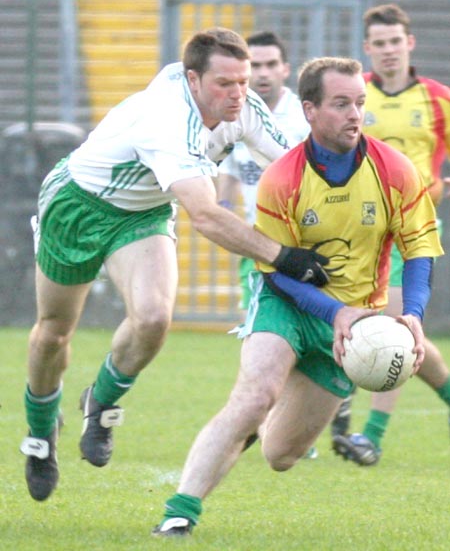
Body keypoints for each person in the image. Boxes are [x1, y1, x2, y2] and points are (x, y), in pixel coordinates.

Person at [19, 27, 332, 502]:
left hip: (142, 214)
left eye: (243, 81)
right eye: (224, 83)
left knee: (153, 318)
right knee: (54, 331)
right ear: (192, 80)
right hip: (80, 205)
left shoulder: (242, 107)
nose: (238, 93)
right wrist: (285, 257)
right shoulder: (169, 120)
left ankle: (100, 402)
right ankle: (41, 434)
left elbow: (295, 162)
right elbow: (206, 216)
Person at [153, 56, 443, 537]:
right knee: (253, 396)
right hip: (288, 303)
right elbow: (276, 268)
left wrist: (411, 314)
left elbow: (420, 252)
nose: (355, 114)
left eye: (359, 103)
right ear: (309, 110)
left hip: (359, 321)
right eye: (340, 104)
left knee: (280, 456)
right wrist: (335, 311)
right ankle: (180, 511)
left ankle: (268, 416)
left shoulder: (395, 171)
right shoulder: (283, 177)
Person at [331, 4, 450, 466]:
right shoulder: (356, 98)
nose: (387, 51)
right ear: (367, 49)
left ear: (410, 43)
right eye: (378, 44)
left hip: (412, 233)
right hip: (360, 234)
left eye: (394, 41)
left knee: (396, 327)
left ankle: (371, 437)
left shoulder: (438, 100)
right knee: (405, 336)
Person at [217, 30, 310, 314]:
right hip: (257, 245)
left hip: (305, 244)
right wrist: (223, 207)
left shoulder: (304, 118)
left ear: (285, 69)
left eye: (271, 64)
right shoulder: (233, 115)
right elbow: (231, 169)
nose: (263, 73)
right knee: (256, 334)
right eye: (255, 66)